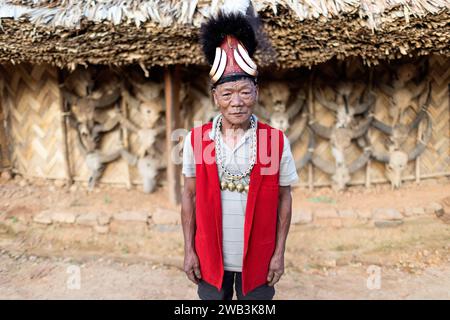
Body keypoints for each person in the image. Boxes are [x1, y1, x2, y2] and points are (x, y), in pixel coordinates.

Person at [181, 10, 299, 300]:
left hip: (258, 262)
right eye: (227, 93)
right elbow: (189, 195)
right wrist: (188, 251)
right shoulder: (195, 140)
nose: (237, 102)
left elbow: (285, 197)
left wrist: (279, 253)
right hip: (210, 259)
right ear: (215, 97)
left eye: (245, 92)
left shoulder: (275, 141)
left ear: (256, 92)